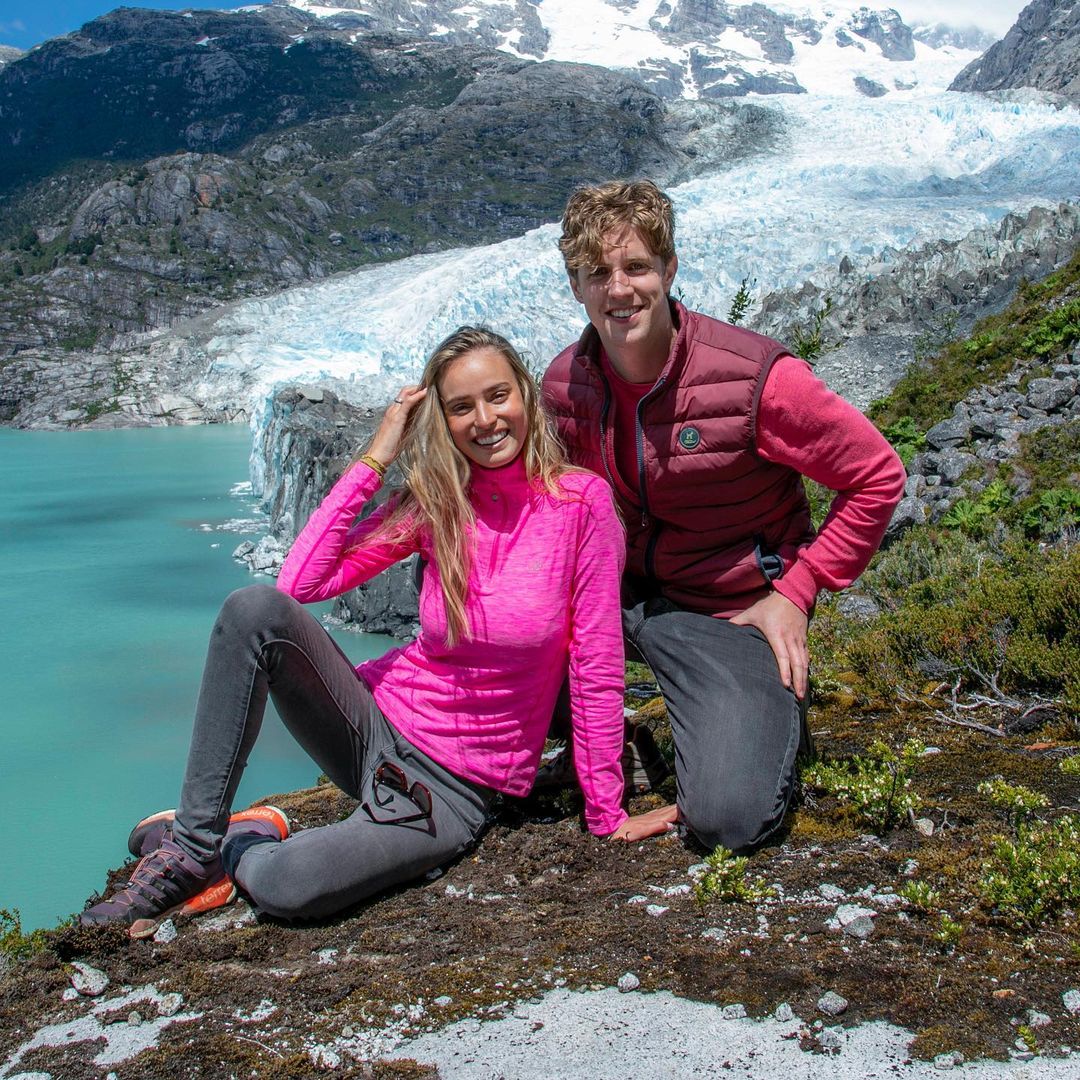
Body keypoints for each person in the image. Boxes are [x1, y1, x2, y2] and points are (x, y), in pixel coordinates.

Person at [81, 326, 636, 938]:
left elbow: (597, 665)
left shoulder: (580, 506)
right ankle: (190, 848)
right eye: (460, 406)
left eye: (498, 395)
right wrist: (379, 455)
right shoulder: (439, 501)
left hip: (456, 788)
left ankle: (241, 839)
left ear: (526, 395)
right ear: (442, 420)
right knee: (252, 611)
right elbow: (300, 583)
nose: (485, 419)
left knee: (290, 889)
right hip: (372, 725)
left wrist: (606, 815)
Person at [541, 180, 906, 851]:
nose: (619, 290)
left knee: (730, 818)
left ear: (670, 269)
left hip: (727, 611)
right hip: (615, 602)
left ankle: (741, 721)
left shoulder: (751, 378)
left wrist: (796, 591)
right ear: (576, 286)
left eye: (637, 268)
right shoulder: (566, 383)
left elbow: (877, 474)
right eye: (598, 273)